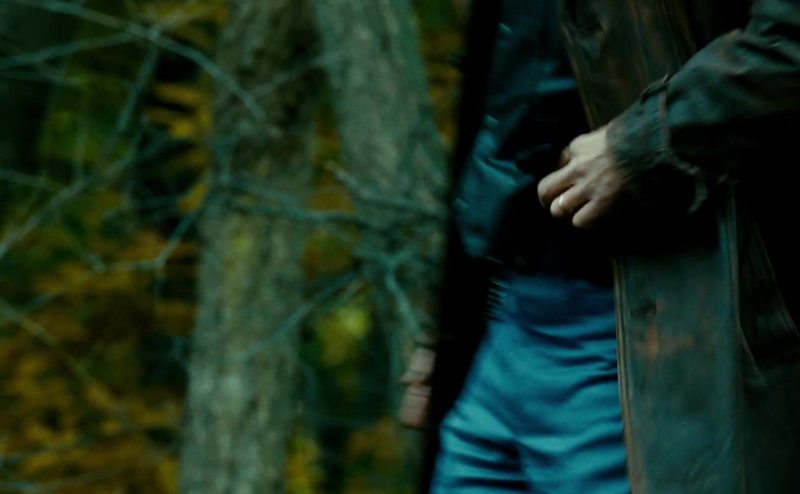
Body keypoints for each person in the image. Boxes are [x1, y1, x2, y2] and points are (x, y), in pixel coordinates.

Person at [400, 0, 800, 492]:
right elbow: (495, 109)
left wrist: (639, 144)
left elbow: (788, 43)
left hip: (647, 338)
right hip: (504, 330)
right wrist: (448, 337)